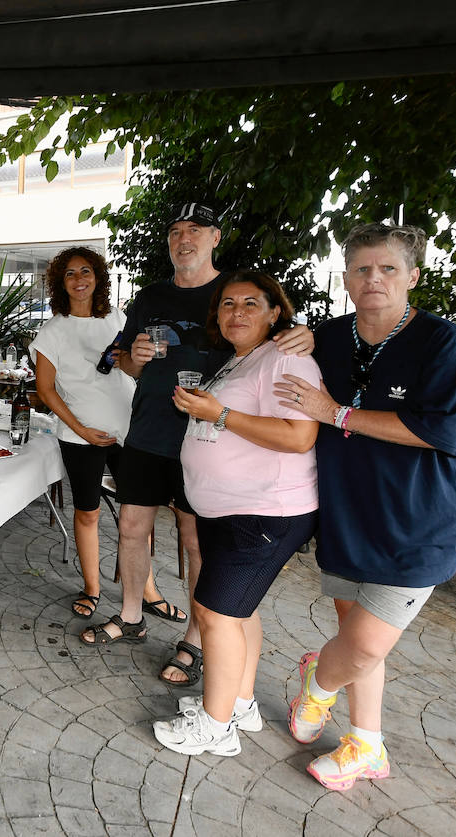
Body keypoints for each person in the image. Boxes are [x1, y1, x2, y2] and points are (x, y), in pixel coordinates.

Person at [81, 202, 314, 689]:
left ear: (215, 238)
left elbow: (273, 337)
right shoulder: (150, 296)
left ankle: (196, 637)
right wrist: (134, 359)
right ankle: (129, 616)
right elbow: (122, 358)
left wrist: (304, 336)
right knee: (130, 527)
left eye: (195, 230)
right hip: (148, 432)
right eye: (175, 231)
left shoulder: (233, 295)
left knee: (195, 542)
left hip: (206, 440)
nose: (183, 239)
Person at [278, 222, 456, 792]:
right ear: (346, 277)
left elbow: (438, 431)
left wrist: (333, 412)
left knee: (363, 644)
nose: (374, 279)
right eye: (362, 268)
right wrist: (287, 337)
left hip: (419, 519)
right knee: (354, 634)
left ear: (412, 276)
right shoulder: (329, 337)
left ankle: (318, 680)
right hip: (347, 511)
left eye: (388, 268)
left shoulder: (440, 341)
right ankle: (366, 742)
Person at [150, 272, 320, 756]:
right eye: (227, 304)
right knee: (236, 611)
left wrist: (218, 415)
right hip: (229, 510)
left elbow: (298, 436)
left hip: (264, 511)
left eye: (251, 303)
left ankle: (215, 726)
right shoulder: (241, 360)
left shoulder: (285, 357)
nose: (237, 312)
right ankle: (240, 703)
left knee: (217, 615)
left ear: (275, 313)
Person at [28, 246, 172, 620]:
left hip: (129, 432)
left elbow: (131, 371)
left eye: (86, 271)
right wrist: (82, 430)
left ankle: (148, 589)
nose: (79, 280)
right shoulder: (53, 330)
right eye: (71, 274)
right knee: (88, 513)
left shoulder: (117, 319)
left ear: (98, 278)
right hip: (80, 437)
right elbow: (46, 391)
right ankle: (92, 587)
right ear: (62, 283)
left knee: (137, 515)